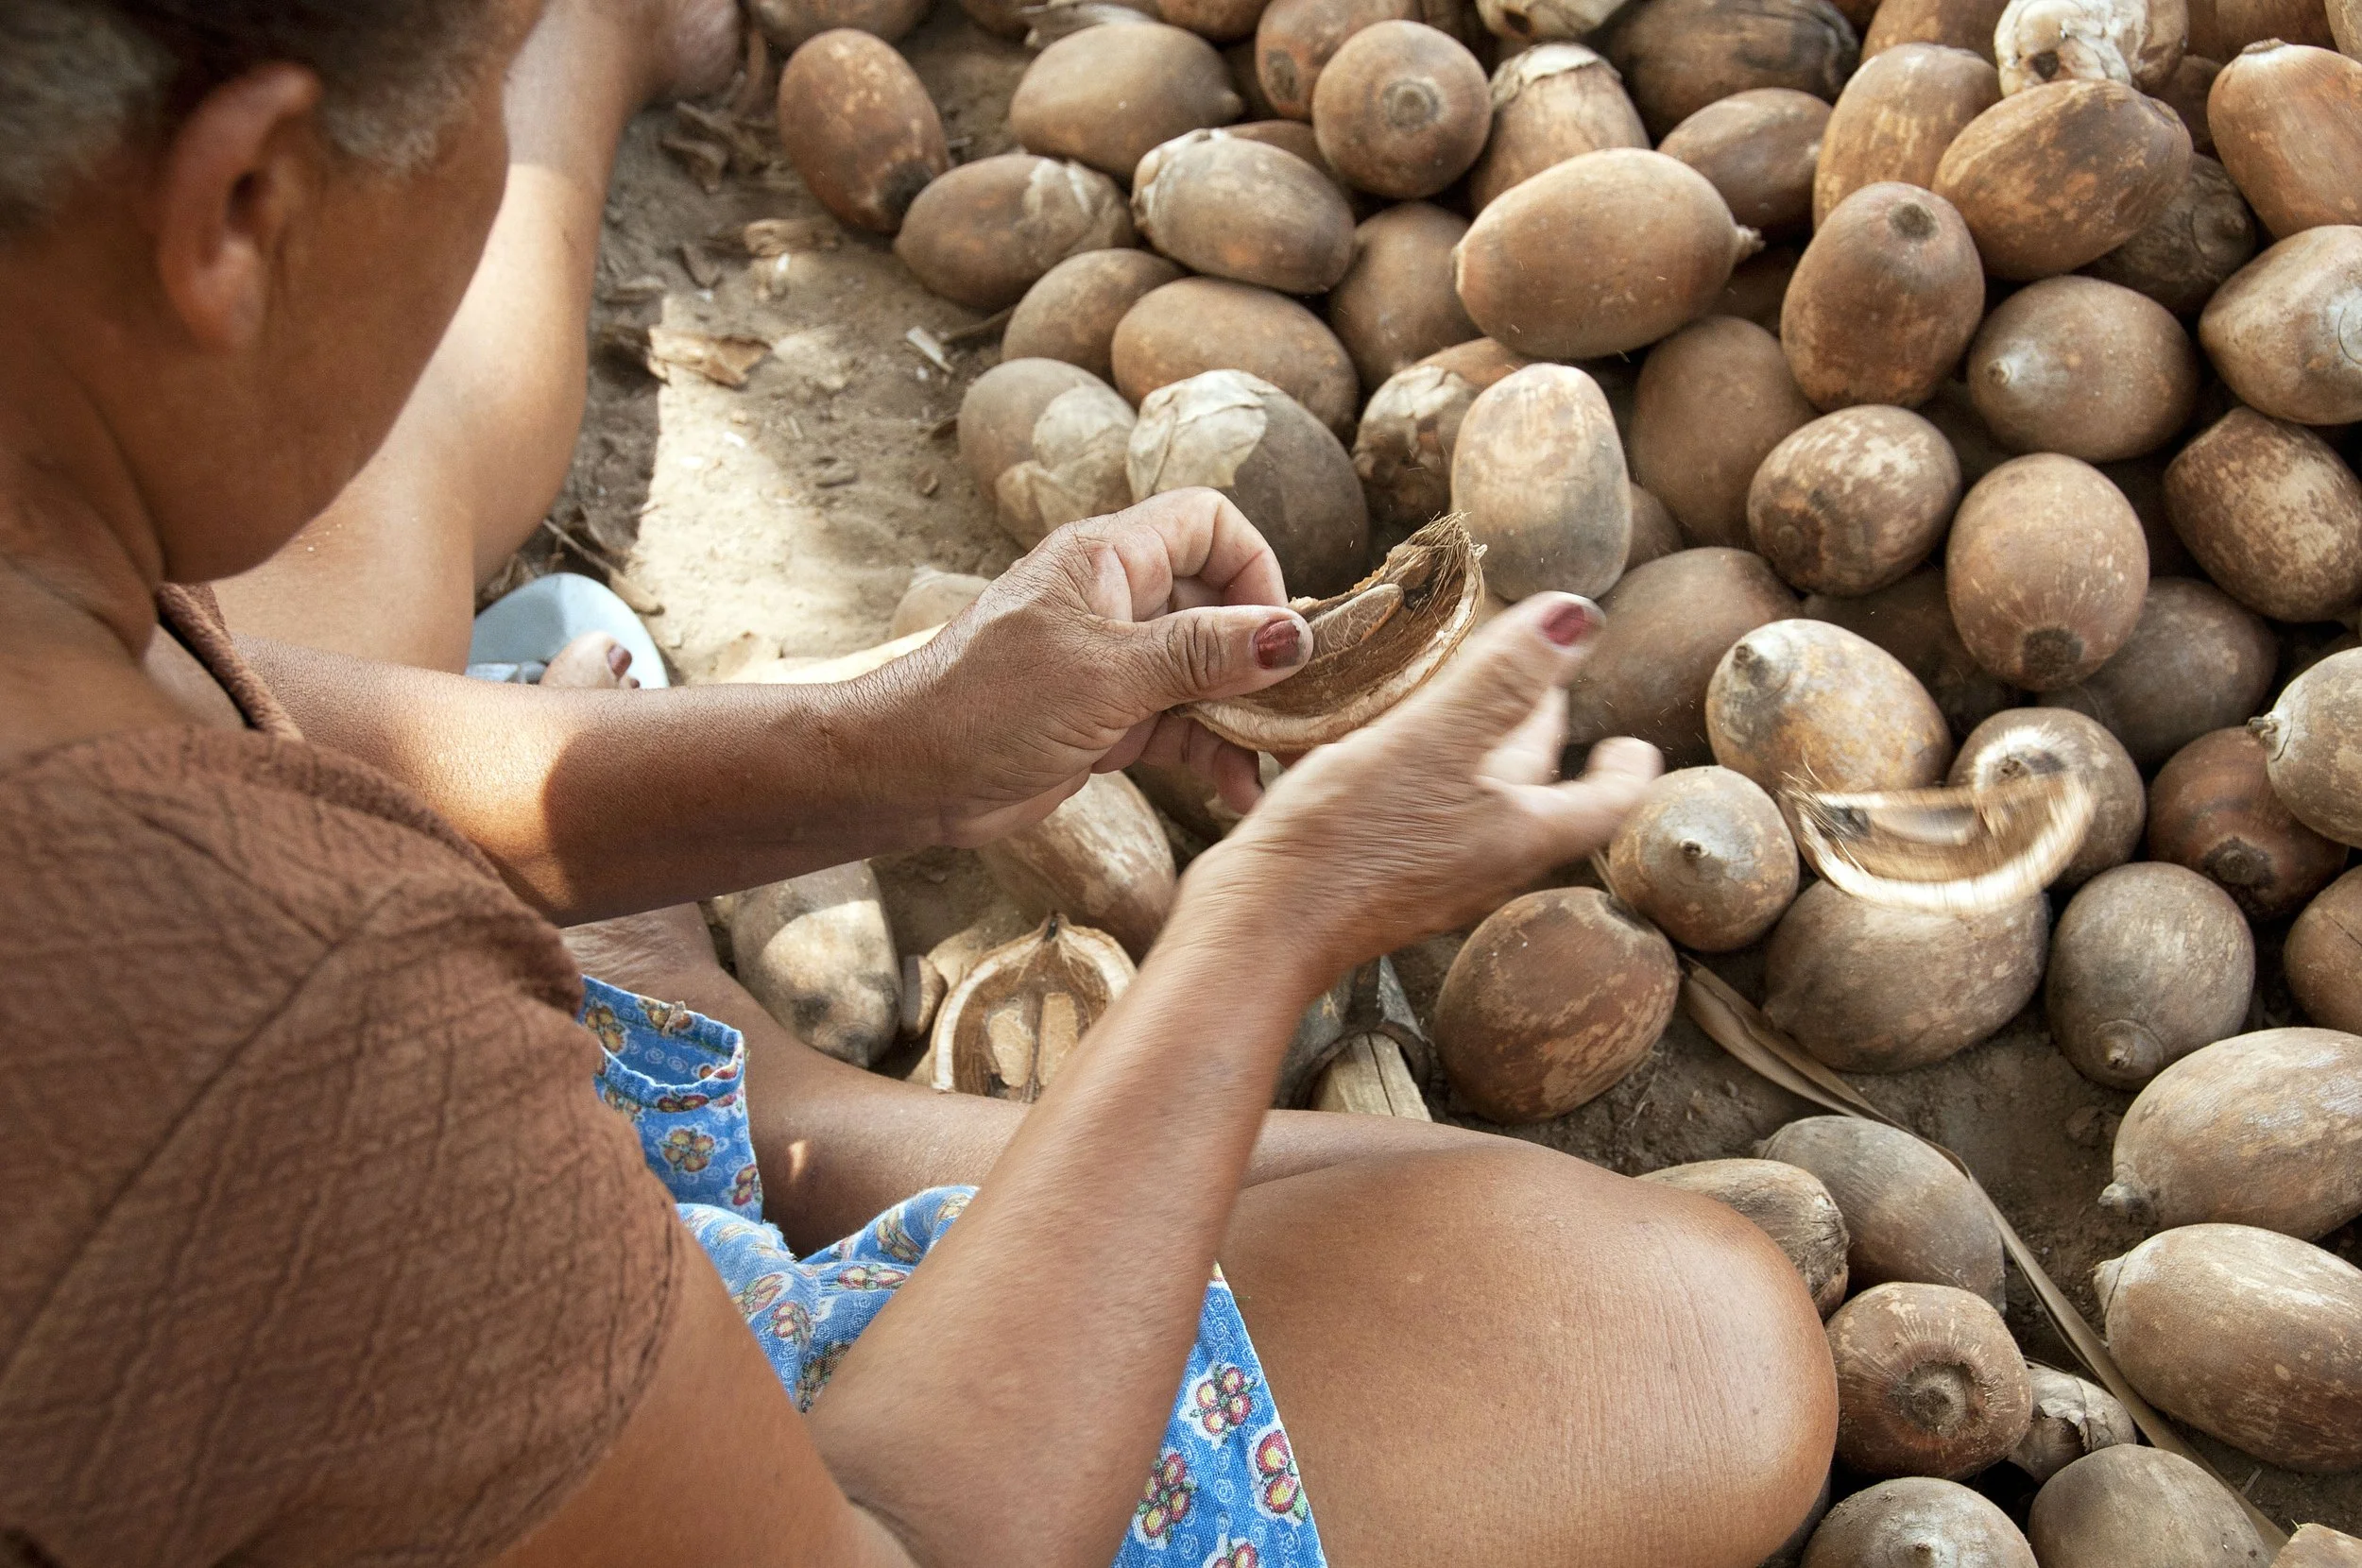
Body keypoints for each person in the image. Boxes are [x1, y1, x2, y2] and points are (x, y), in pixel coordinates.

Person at [0, 5, 1839, 1568]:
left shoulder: (59, 522)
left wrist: (890, 741)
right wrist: (1261, 922)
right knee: (1691, 1347)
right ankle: (735, 1099)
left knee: (343, 490)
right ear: (236, 197)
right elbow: (891, 1539)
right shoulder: (289, 1045)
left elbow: (234, 727)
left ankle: (702, 1067)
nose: (467, 183)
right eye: (468, 126)